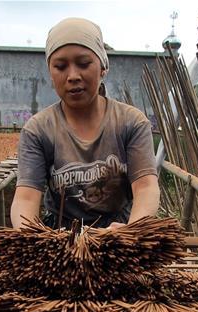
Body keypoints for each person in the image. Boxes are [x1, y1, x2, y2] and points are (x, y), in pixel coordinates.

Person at [10, 17, 161, 230]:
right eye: (61, 66)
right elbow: (26, 198)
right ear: (51, 75)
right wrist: (34, 237)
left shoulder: (130, 122)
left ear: (102, 67)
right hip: (60, 236)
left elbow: (146, 187)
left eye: (83, 64)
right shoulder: (38, 130)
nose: (72, 76)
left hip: (120, 232)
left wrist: (131, 233)